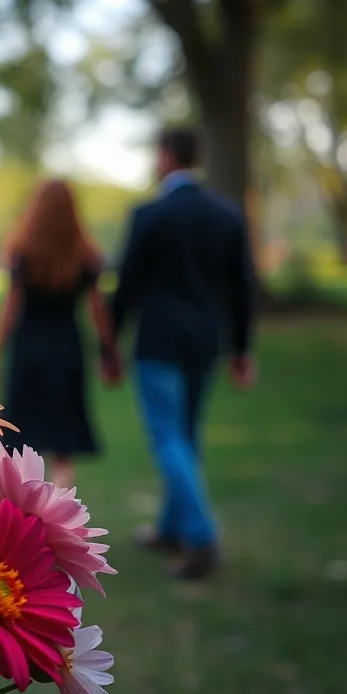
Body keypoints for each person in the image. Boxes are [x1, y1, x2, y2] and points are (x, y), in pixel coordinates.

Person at [105, 126, 257, 580]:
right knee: (186, 436)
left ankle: (201, 535)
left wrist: (108, 343)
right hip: (206, 344)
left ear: (167, 156)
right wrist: (242, 349)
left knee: (168, 436)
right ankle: (170, 529)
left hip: (160, 343)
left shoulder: (150, 214)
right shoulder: (227, 215)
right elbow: (242, 288)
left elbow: (127, 286)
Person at [0, 179, 115, 490]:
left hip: (29, 349)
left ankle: (23, 508)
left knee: (21, 432)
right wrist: (107, 352)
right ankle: (60, 510)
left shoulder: (24, 252)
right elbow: (97, 310)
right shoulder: (85, 256)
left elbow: (10, 309)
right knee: (63, 440)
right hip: (68, 349)